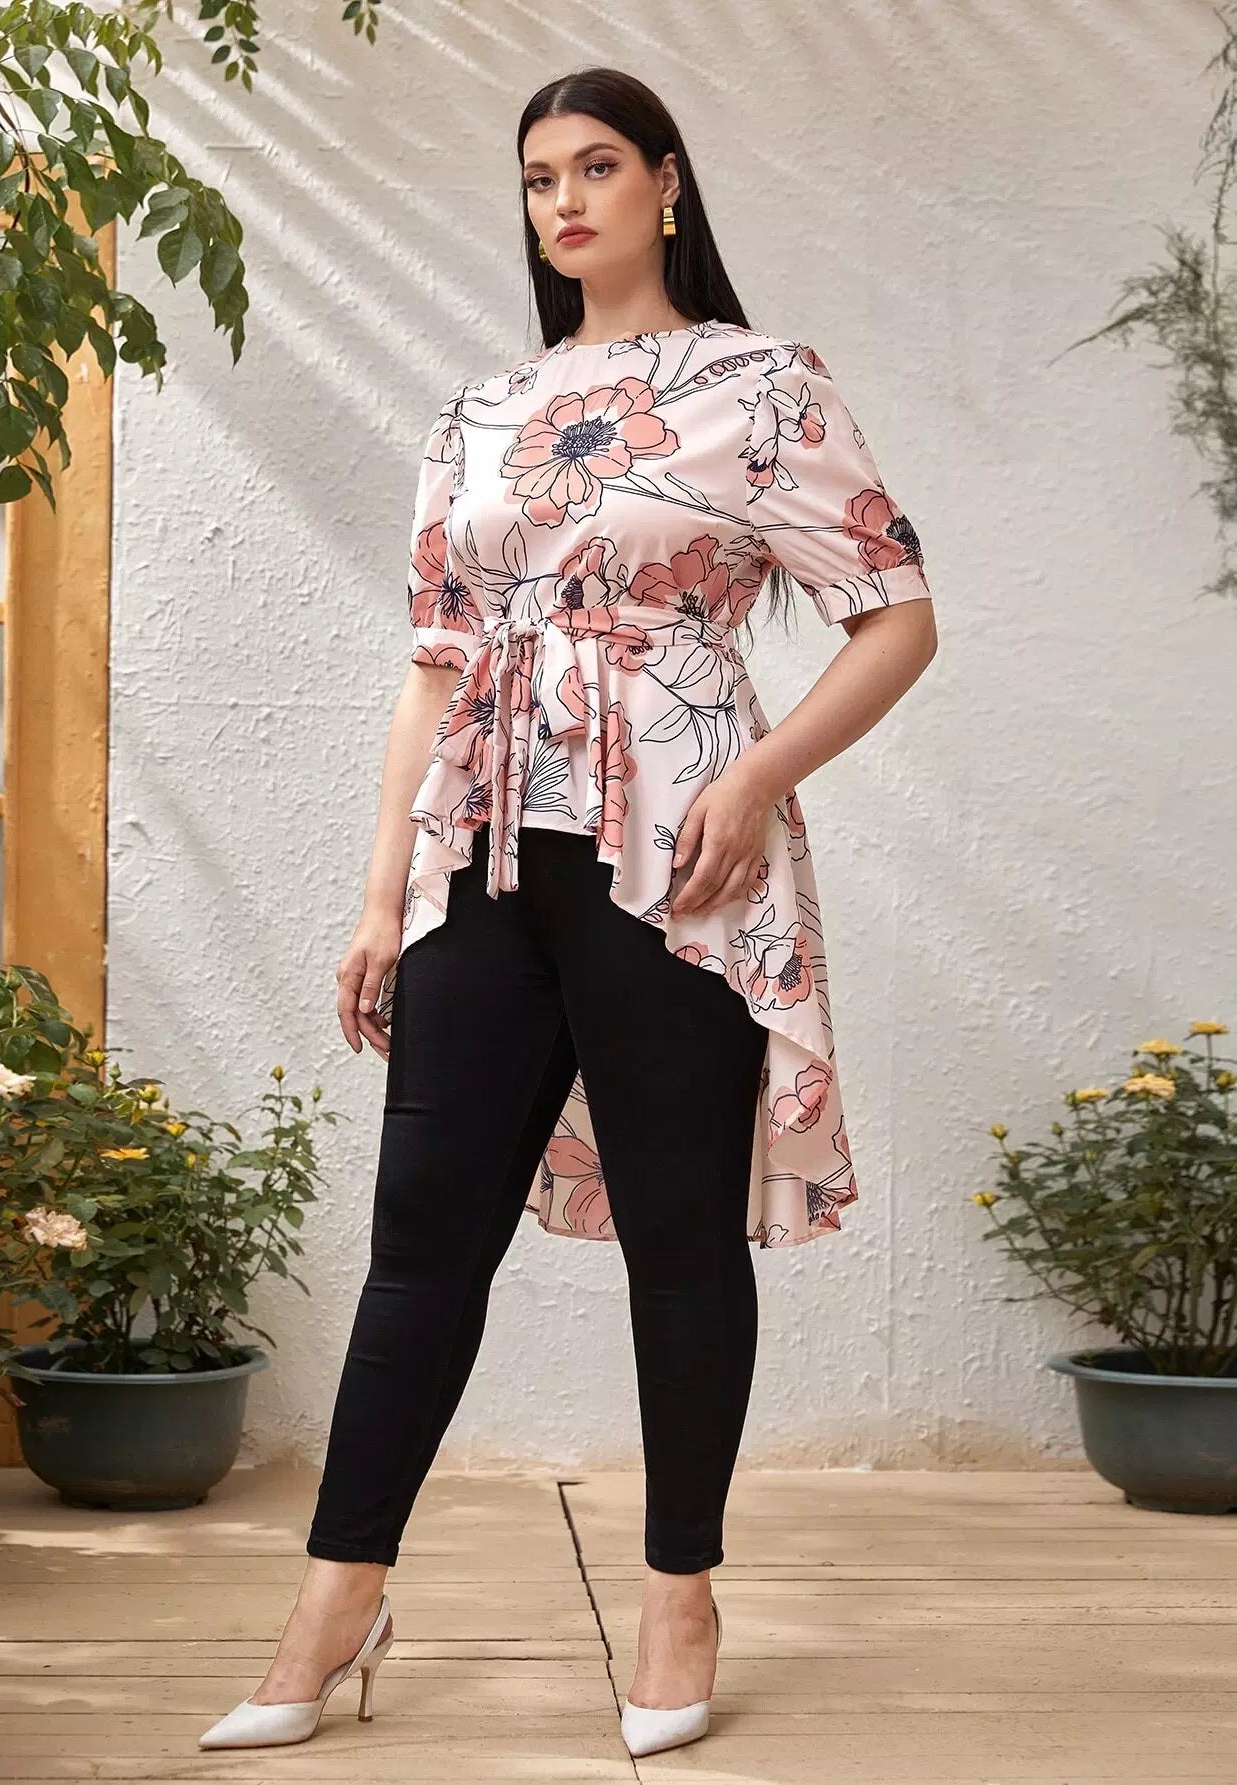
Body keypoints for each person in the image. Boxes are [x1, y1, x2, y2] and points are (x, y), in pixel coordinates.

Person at [199, 65, 938, 1762]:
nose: (565, 200)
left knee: (681, 1241)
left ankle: (680, 1594)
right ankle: (336, 1598)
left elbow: (896, 616)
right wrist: (380, 895)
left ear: (667, 184)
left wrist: (758, 779)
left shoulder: (761, 385)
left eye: (597, 166)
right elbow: (436, 663)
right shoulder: (479, 411)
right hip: (484, 858)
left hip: (676, 858)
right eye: (540, 177)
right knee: (420, 1242)